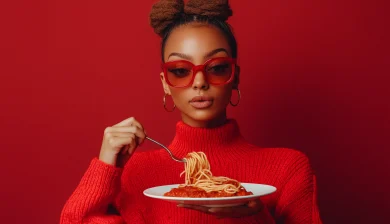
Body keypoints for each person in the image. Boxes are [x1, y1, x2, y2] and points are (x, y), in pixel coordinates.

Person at [60, 0, 322, 223]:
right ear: (165, 82)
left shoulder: (287, 168)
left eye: (217, 67)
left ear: (235, 77)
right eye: (181, 71)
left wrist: (253, 217)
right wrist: (106, 165)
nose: (199, 82)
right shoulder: (135, 172)